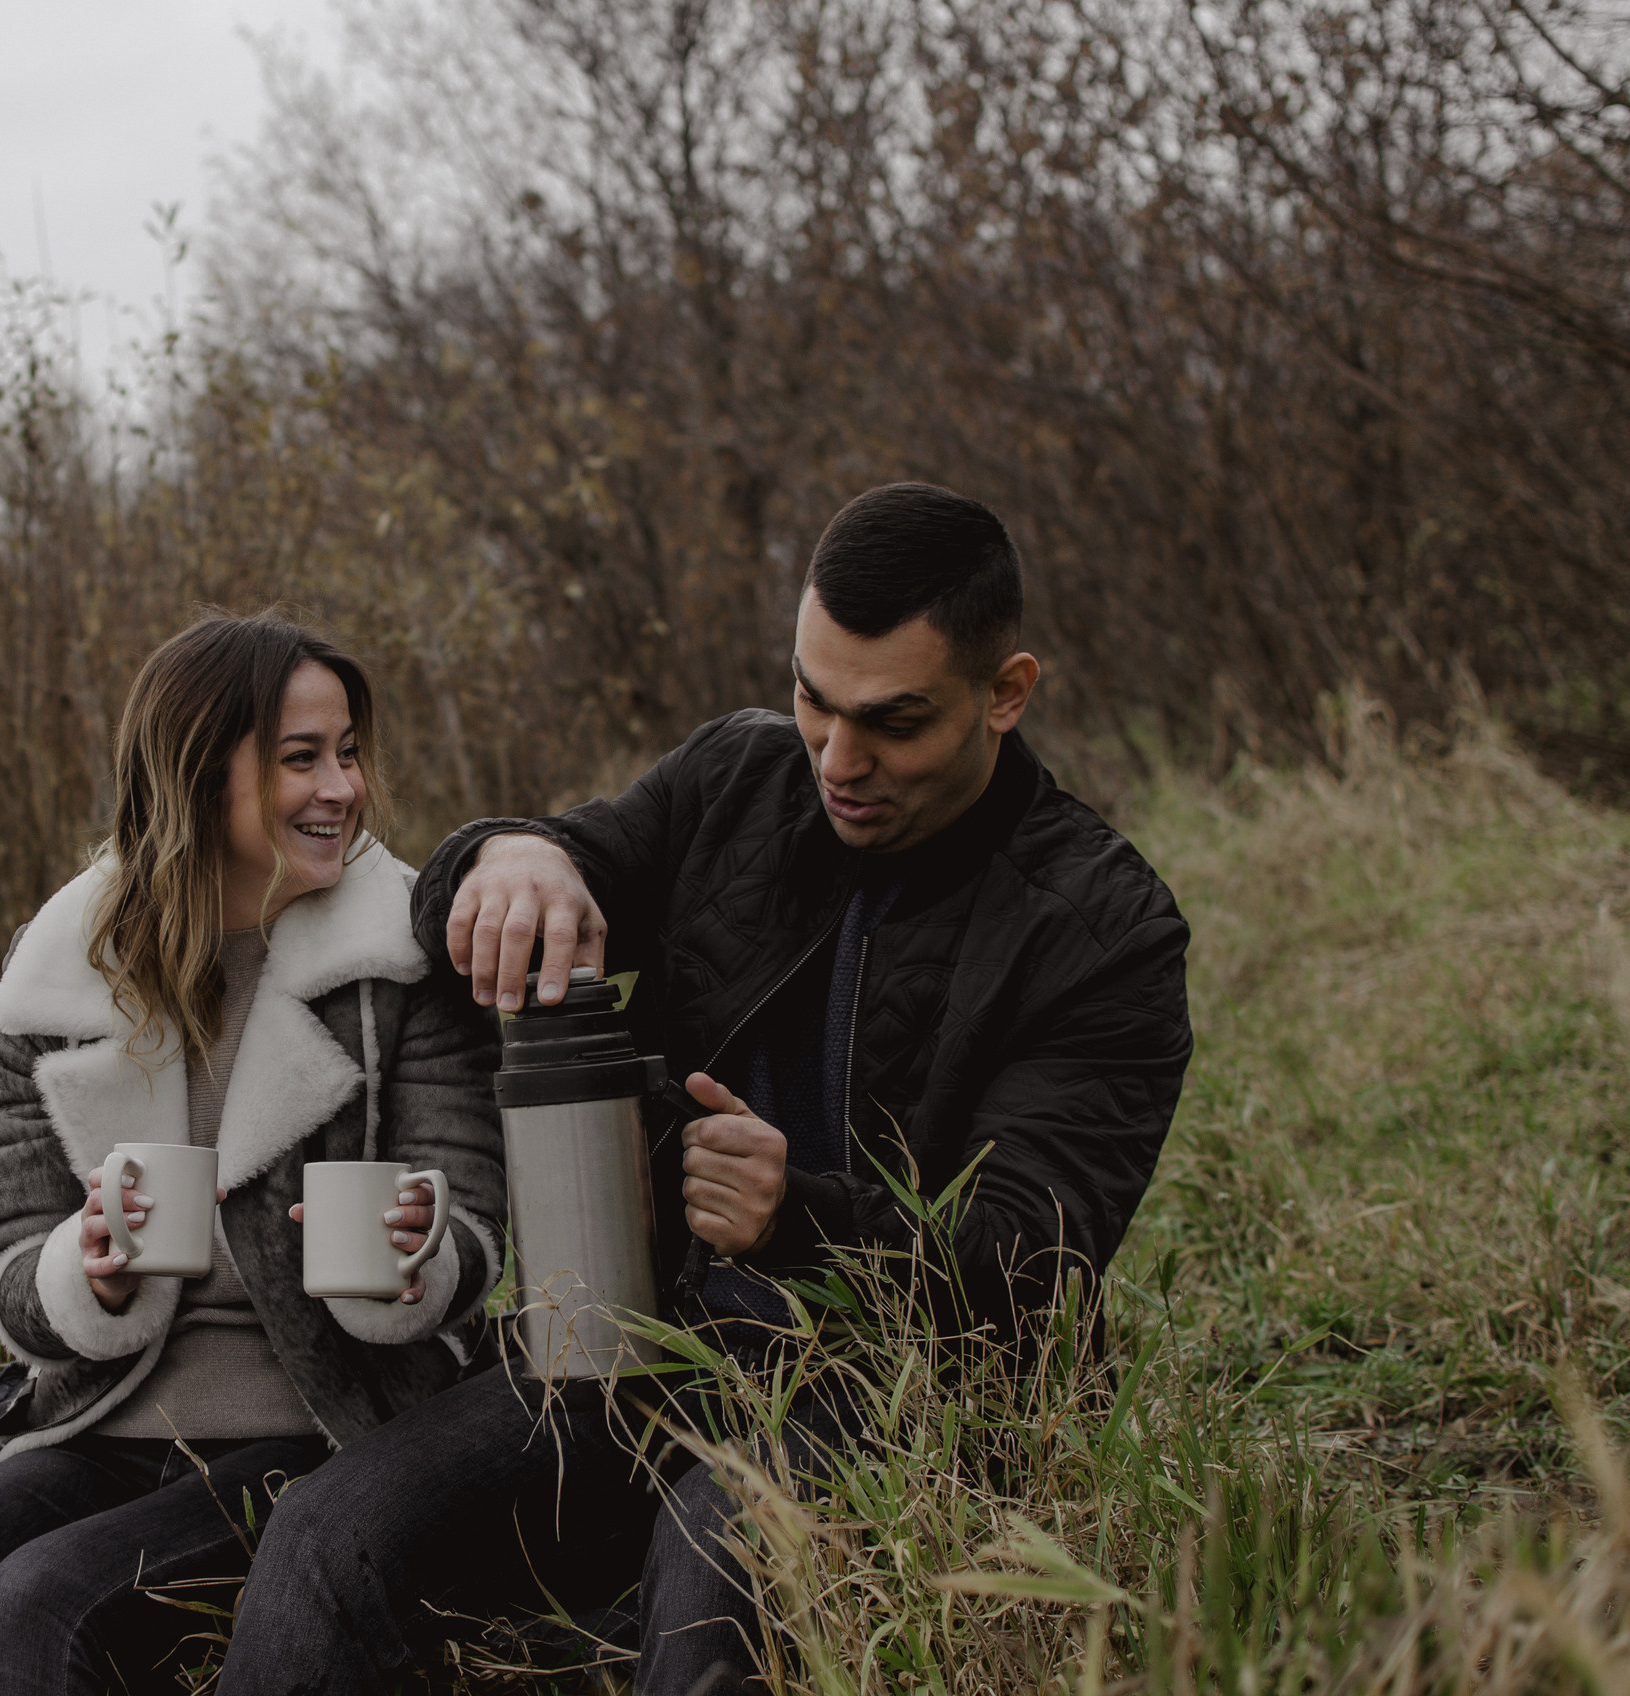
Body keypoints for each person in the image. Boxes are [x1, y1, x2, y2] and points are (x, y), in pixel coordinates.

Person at [219, 483, 1194, 1694]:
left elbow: (1035, 1269)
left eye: (892, 722)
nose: (838, 761)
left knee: (709, 1569)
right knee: (326, 1535)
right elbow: (548, 862)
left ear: (1006, 693)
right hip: (643, 1350)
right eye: (813, 699)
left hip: (907, 1402)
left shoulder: (1104, 929)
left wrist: (802, 1216)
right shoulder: (738, 778)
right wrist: (513, 853)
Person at [0, 612, 506, 1696]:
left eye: (347, 751)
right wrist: (88, 1268)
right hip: (99, 1423)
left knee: (38, 1601)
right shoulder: (58, 976)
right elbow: (3, 1266)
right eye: (299, 759)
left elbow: (482, 1231)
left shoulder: (400, 957)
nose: (342, 789)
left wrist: (422, 1252)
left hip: (316, 1426)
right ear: (195, 774)